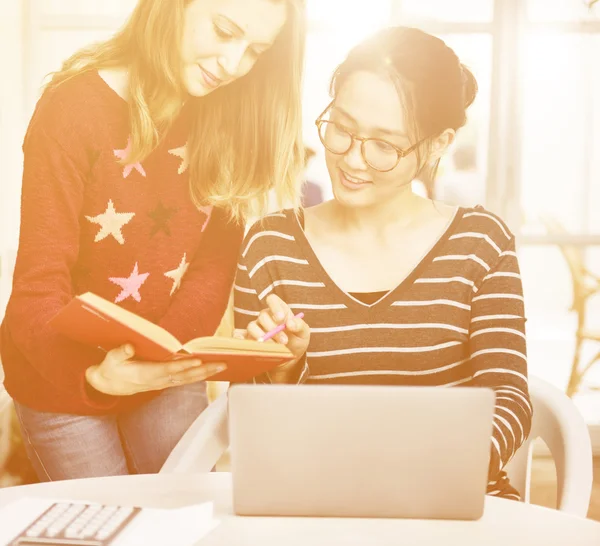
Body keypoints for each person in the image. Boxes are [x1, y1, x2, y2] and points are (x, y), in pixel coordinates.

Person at [1, 0, 306, 481]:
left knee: (181, 521)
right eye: (225, 31)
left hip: (166, 365)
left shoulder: (229, 117)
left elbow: (210, 271)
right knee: (108, 526)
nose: (233, 65)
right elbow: (37, 290)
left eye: (255, 51)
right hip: (62, 374)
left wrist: (158, 364)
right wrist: (97, 376)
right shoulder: (72, 107)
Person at [233, 26, 532, 500]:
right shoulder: (271, 245)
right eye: (342, 129)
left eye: (385, 146)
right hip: (316, 502)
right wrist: (286, 369)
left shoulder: (480, 242)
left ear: (438, 144)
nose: (352, 159)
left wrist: (435, 474)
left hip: (457, 502)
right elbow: (253, 421)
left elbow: (509, 398)